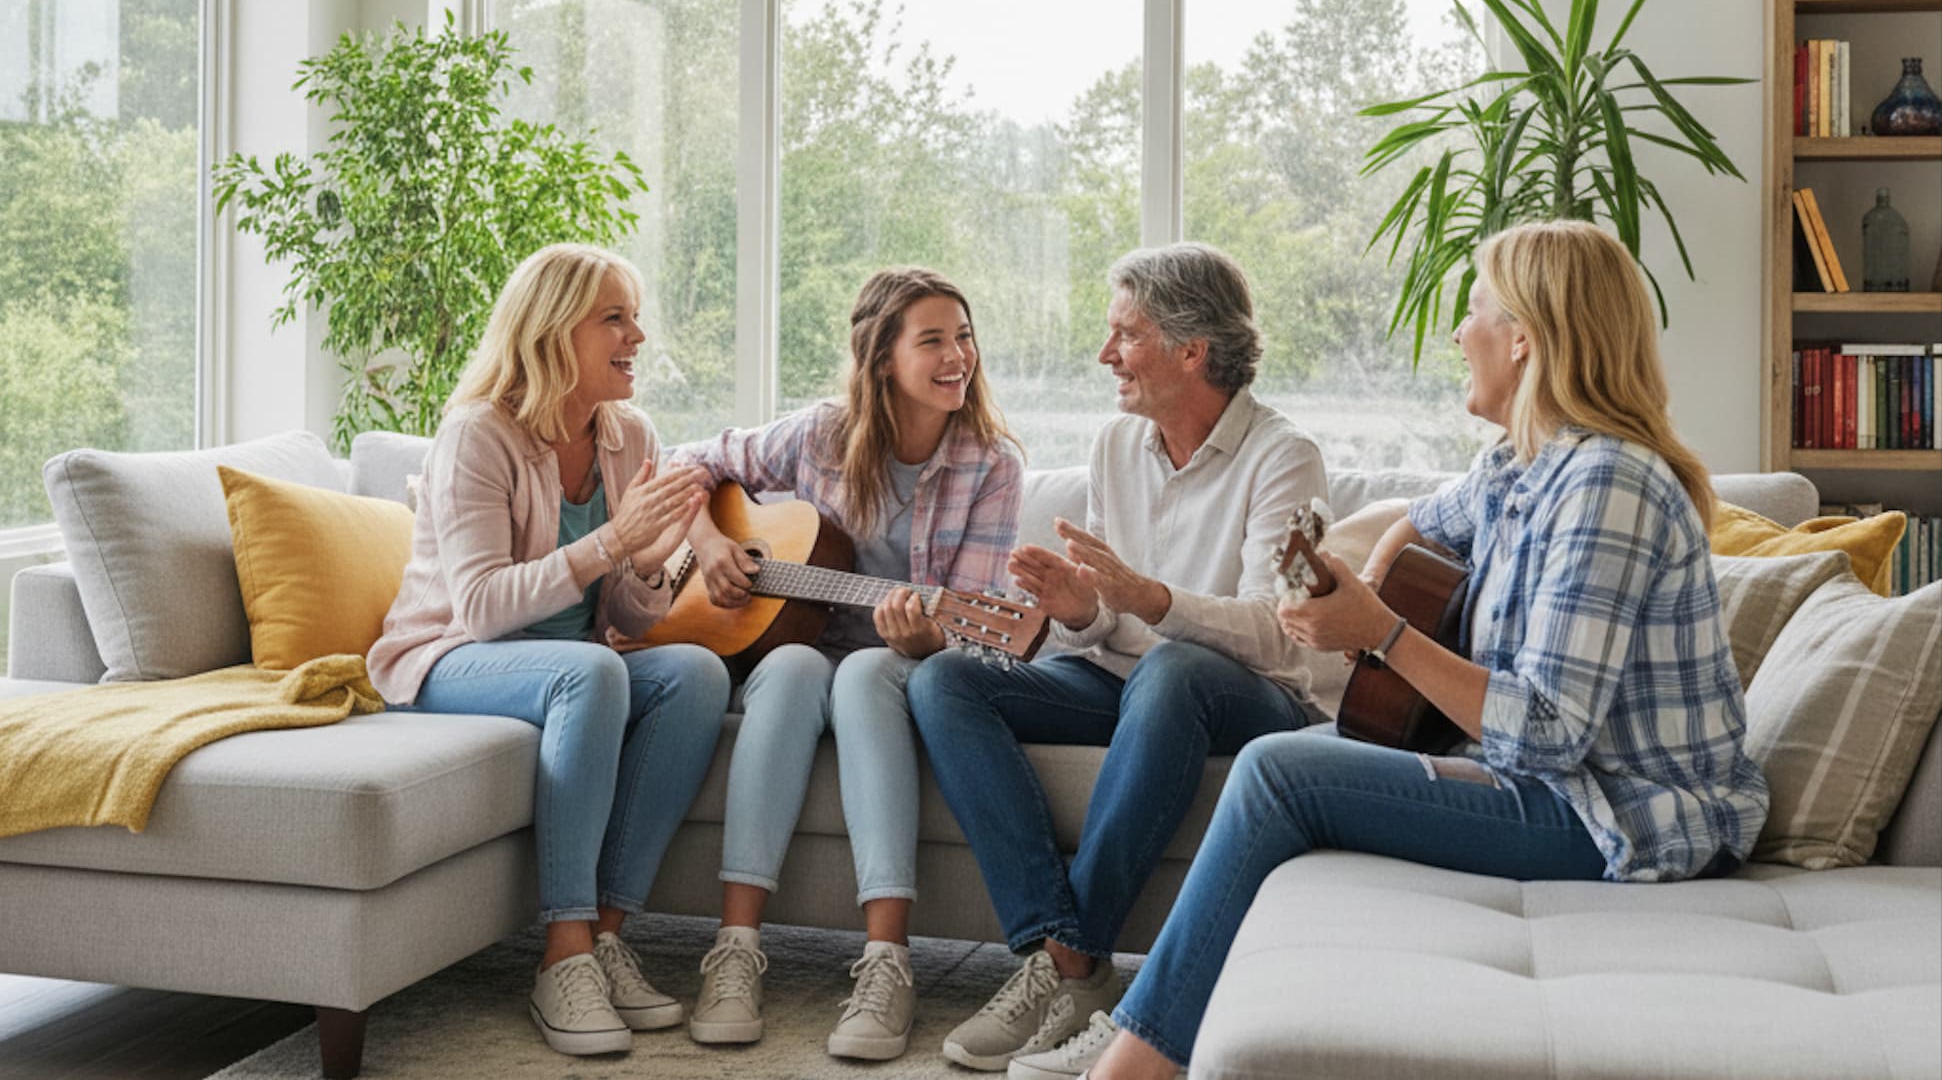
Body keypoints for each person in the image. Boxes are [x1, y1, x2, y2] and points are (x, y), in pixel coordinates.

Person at [1078, 221, 1773, 1080]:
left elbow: (1550, 733)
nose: (1457, 333)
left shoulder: (1608, 484)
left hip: (1616, 813)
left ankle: (1137, 1060)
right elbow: (1426, 515)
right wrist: (1371, 584)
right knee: (1288, 760)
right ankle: (1153, 1041)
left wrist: (1383, 635)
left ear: (1524, 340)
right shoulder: (1524, 462)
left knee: (1277, 772)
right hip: (1535, 775)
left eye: (1475, 310)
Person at [906, 242, 1333, 1077]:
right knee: (946, 678)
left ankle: (1071, 954)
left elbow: (1283, 634)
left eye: (1124, 336)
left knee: (1173, 670)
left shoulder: (1288, 458)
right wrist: (1079, 610)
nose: (1106, 356)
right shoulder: (1116, 445)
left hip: (1248, 697)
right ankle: (1058, 954)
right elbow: (1105, 625)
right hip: (1124, 679)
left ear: (1190, 350)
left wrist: (1149, 602)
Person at [366, 243, 731, 1059]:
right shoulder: (479, 434)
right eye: (614, 317)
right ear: (551, 331)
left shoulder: (628, 435)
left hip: (574, 664)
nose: (637, 333)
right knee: (592, 670)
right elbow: (484, 608)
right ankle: (561, 954)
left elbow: (629, 620)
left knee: (697, 674)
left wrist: (648, 561)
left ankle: (604, 937)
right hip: (448, 658)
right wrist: (612, 540)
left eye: (634, 315)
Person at [672, 266, 1025, 1061]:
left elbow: (973, 626)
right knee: (794, 669)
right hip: (800, 645)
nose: (957, 355)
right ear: (880, 358)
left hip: (903, 657)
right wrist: (709, 543)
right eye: (931, 339)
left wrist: (927, 637)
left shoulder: (991, 463)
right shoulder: (818, 436)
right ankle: (734, 951)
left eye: (963, 336)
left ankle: (886, 964)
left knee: (866, 673)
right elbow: (684, 462)